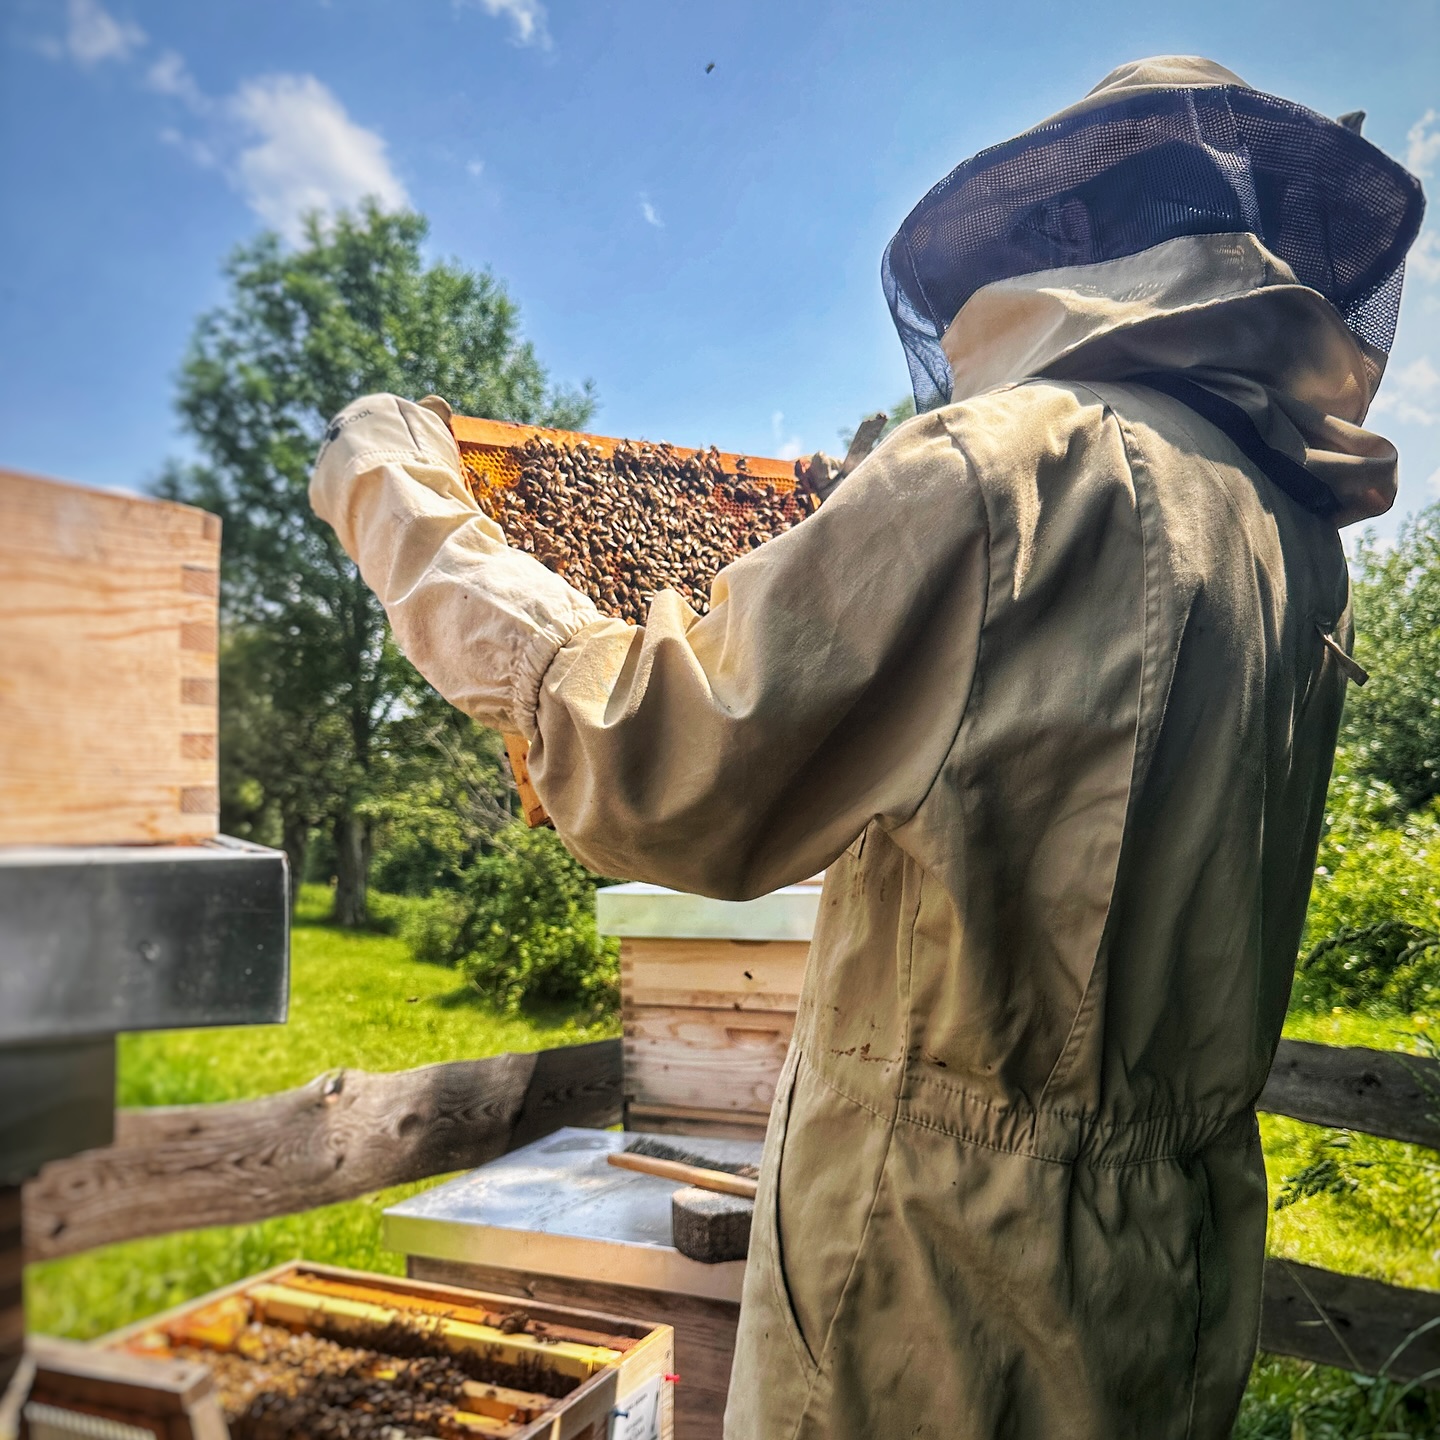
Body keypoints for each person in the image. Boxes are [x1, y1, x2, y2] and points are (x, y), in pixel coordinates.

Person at [310, 56, 1424, 1440]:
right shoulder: (1292, 542)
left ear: (1074, 236)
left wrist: (397, 502)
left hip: (937, 1291)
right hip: (1173, 1274)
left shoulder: (1009, 470)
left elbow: (652, 763)